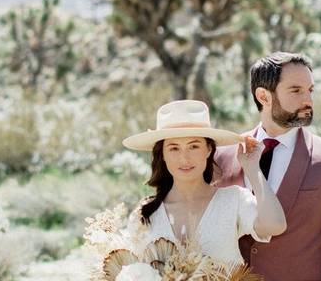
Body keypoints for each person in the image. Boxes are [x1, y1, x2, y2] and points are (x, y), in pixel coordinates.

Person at [215, 52, 321, 280]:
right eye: (296, 90)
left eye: (310, 90)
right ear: (263, 97)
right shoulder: (222, 155)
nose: (308, 100)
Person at [122, 99, 287, 265]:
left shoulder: (233, 200)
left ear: (209, 149)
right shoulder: (145, 213)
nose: (184, 158)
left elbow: (275, 225)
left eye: (194, 146)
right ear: (162, 154)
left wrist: (252, 169)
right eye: (174, 148)